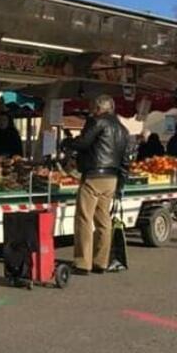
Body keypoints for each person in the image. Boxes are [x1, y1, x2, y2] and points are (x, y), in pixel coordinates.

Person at [69, 95, 130, 274]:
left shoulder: (97, 122)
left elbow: (83, 142)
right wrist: (121, 184)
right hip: (112, 178)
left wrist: (67, 142)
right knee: (103, 219)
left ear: (98, 108)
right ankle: (101, 262)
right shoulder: (123, 129)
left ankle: (82, 263)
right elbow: (126, 160)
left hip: (94, 175)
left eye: (92, 108)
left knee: (84, 218)